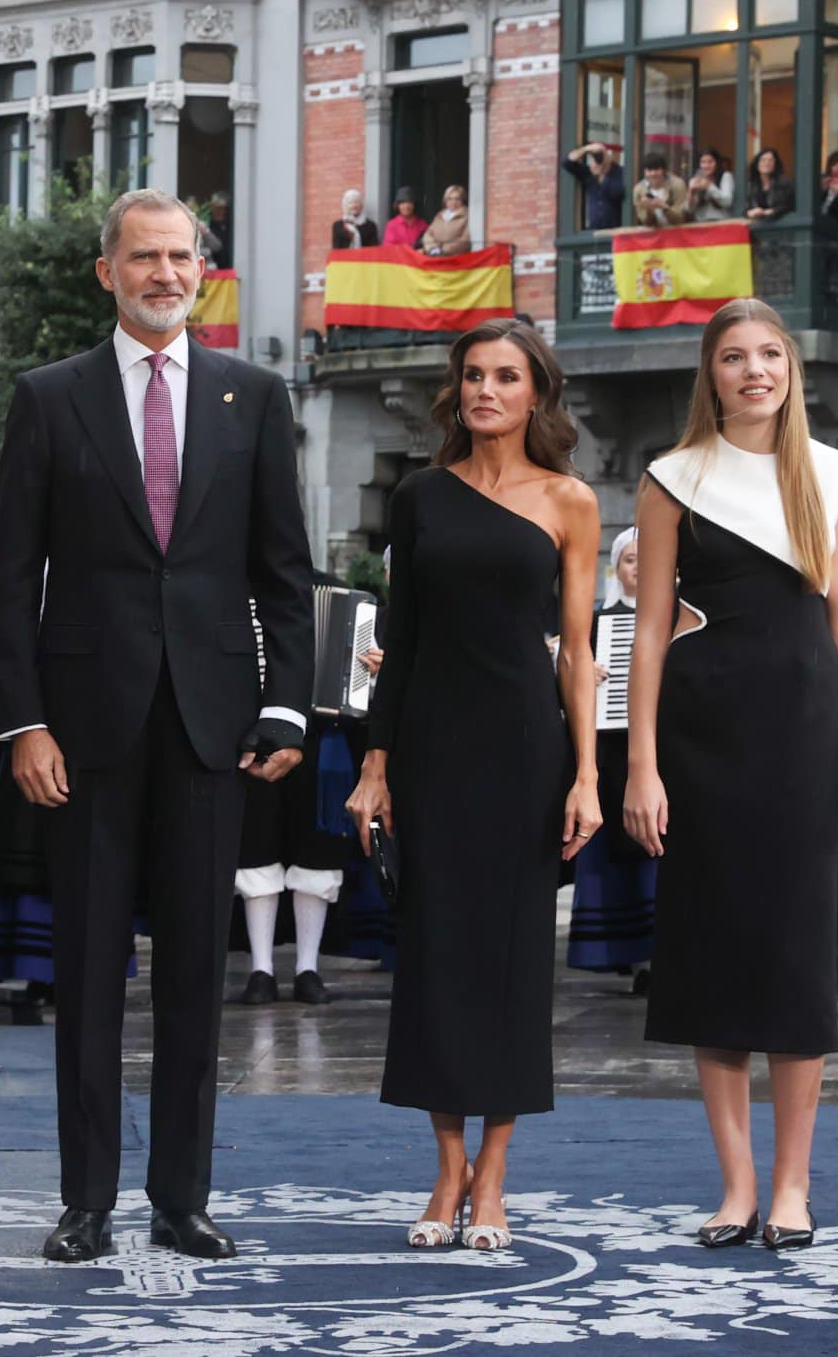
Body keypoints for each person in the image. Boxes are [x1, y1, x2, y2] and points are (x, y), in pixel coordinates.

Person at [0, 188, 315, 1265]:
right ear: (107, 272)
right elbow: (11, 579)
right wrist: (22, 722)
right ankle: (85, 1200)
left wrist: (284, 705)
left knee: (194, 976)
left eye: (180, 256)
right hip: (81, 732)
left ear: (199, 271)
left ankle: (183, 1197)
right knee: (86, 976)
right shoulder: (48, 397)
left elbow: (283, 572)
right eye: (143, 257)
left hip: (213, 728)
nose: (164, 274)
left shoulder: (252, 396)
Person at [623, 298, 838, 1253]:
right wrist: (641, 764)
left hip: (805, 734)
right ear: (711, 372)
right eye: (733, 356)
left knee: (796, 958)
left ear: (791, 368)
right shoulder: (671, 476)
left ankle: (793, 1187)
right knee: (714, 952)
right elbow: (649, 630)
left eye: (770, 354)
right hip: (701, 736)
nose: (754, 371)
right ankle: (736, 1185)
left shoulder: (832, 471)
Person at [346, 319, 601, 1253]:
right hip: (431, 751)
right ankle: (446, 1165)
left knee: (512, 962)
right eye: (473, 376)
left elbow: (576, 653)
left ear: (537, 393)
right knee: (436, 958)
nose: (486, 390)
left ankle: (493, 1172)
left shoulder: (571, 501)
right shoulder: (420, 496)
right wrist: (376, 766)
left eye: (506, 376)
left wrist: (588, 775)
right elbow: (401, 641)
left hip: (527, 751)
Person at [235, 570, 364, 1007]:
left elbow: (361, 691)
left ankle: (308, 968)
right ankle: (261, 969)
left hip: (325, 739)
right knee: (255, 848)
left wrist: (368, 671)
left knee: (319, 850)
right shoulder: (234, 586)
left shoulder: (341, 594)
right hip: (253, 733)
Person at [568, 527, 656, 992]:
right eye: (629, 559)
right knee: (619, 851)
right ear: (616, 569)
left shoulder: (674, 618)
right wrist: (583, 674)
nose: (638, 567)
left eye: (646, 558)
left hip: (661, 748)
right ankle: (632, 955)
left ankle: (661, 954)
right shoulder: (598, 624)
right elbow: (567, 677)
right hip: (611, 750)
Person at [563, 143, 626, 230]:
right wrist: (586, 149)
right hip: (593, 231)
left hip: (615, 230)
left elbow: (617, 193)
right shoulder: (589, 173)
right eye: (594, 158)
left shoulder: (620, 173)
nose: (598, 160)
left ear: (609, 157)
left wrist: (603, 175)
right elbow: (566, 163)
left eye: (601, 156)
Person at [633, 154, 690, 228]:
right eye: (649, 170)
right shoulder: (639, 189)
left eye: (656, 169)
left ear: (664, 170)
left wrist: (663, 207)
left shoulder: (677, 184)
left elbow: (680, 219)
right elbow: (646, 222)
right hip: (654, 233)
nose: (653, 173)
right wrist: (649, 210)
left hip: (677, 231)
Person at [745, 148, 795, 222]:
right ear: (757, 164)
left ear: (775, 164)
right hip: (757, 225)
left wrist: (770, 212)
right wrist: (749, 212)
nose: (767, 163)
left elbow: (788, 205)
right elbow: (744, 207)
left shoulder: (784, 183)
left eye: (770, 160)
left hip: (780, 224)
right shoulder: (751, 184)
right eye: (763, 160)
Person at [686, 150, 736, 222]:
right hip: (701, 223)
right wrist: (691, 192)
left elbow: (727, 202)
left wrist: (709, 186)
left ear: (717, 163)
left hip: (720, 222)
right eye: (703, 162)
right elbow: (689, 209)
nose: (706, 166)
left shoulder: (725, 176)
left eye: (710, 162)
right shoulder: (697, 178)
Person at [424, 186, 472, 256]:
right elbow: (428, 234)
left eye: (457, 199)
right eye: (450, 199)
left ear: (462, 200)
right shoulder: (439, 215)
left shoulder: (467, 216)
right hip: (435, 255)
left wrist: (443, 250)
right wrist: (433, 248)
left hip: (456, 258)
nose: (453, 202)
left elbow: (465, 239)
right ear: (445, 201)